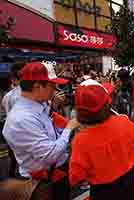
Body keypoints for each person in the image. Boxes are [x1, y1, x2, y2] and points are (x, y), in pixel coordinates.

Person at [2, 62, 80, 199]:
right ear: (37, 86)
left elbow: (50, 131)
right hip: (43, 182)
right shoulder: (22, 119)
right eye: (52, 85)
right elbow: (50, 154)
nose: (55, 89)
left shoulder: (40, 105)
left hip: (56, 174)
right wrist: (69, 129)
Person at [69, 79, 134, 200]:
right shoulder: (122, 121)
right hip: (131, 181)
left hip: (103, 190)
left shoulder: (80, 140)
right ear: (107, 105)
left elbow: (76, 177)